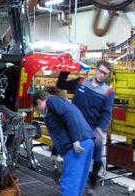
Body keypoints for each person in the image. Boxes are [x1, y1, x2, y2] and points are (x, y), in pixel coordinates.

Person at [56, 60, 114, 189]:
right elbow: (60, 84)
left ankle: (92, 182)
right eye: (101, 72)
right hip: (75, 125)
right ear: (96, 70)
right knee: (66, 151)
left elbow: (107, 113)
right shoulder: (81, 82)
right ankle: (63, 173)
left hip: (93, 128)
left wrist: (101, 130)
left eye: (105, 74)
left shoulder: (108, 92)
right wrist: (66, 67)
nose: (102, 75)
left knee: (97, 158)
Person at [32, 90, 94, 196]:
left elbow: (69, 115)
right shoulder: (53, 108)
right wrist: (55, 153)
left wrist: (76, 140)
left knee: (69, 182)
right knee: (78, 183)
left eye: (36, 107)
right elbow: (59, 133)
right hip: (87, 141)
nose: (38, 111)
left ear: (39, 101)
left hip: (78, 144)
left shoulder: (52, 101)